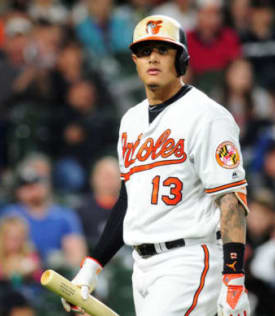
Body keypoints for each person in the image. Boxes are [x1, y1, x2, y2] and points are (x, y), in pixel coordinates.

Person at [62, 15, 250, 316]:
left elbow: (231, 199)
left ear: (182, 59)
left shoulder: (207, 115)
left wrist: (234, 279)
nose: (153, 58)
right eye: (145, 51)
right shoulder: (131, 121)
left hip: (190, 259)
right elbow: (128, 200)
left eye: (163, 50)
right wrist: (92, 267)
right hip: (143, 266)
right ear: (134, 60)